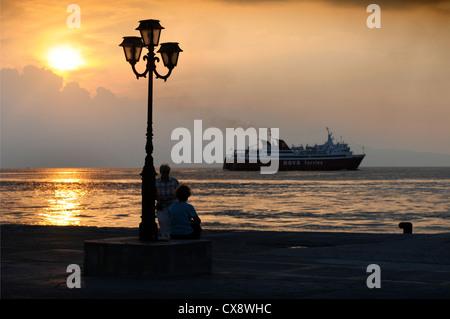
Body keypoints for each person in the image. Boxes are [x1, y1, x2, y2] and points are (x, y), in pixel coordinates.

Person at [155, 163, 179, 240]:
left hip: (172, 205)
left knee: (172, 222)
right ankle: (165, 238)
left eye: (166, 171)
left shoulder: (174, 181)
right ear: (160, 172)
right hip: (161, 205)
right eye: (163, 171)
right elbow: (153, 194)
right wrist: (158, 199)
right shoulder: (156, 182)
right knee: (162, 222)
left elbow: (179, 193)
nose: (165, 173)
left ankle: (172, 237)